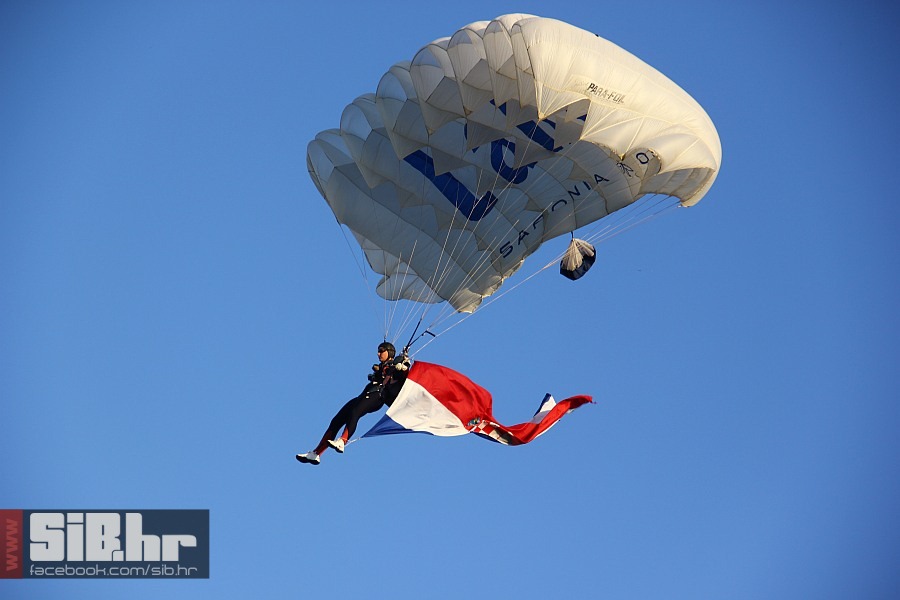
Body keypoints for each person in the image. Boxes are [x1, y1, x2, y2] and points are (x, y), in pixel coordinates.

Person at [296, 342, 411, 465]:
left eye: (381, 351)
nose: (378, 353)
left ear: (390, 352)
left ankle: (342, 441)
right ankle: (316, 453)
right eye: (378, 350)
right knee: (337, 420)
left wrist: (403, 366)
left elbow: (402, 376)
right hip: (364, 395)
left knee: (355, 412)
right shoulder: (381, 367)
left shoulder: (394, 367)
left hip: (378, 396)